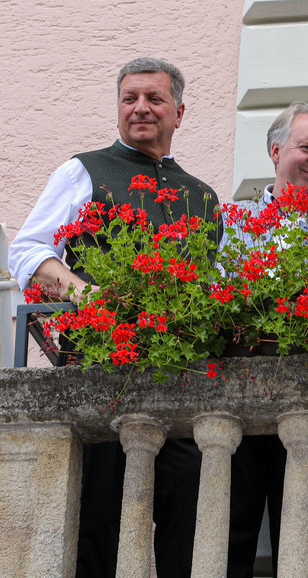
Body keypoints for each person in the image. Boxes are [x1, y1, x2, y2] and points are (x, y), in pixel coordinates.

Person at [9, 57, 221, 577]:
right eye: (130, 99)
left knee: (187, 516)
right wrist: (86, 294)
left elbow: (215, 286)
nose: (141, 109)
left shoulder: (204, 196)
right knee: (97, 517)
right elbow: (27, 249)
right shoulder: (85, 169)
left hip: (181, 375)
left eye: (154, 99)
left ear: (179, 111)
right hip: (100, 366)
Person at [220, 101, 308, 577]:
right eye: (307, 147)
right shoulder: (234, 222)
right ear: (275, 150)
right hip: (241, 396)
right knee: (234, 535)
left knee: (302, 537)